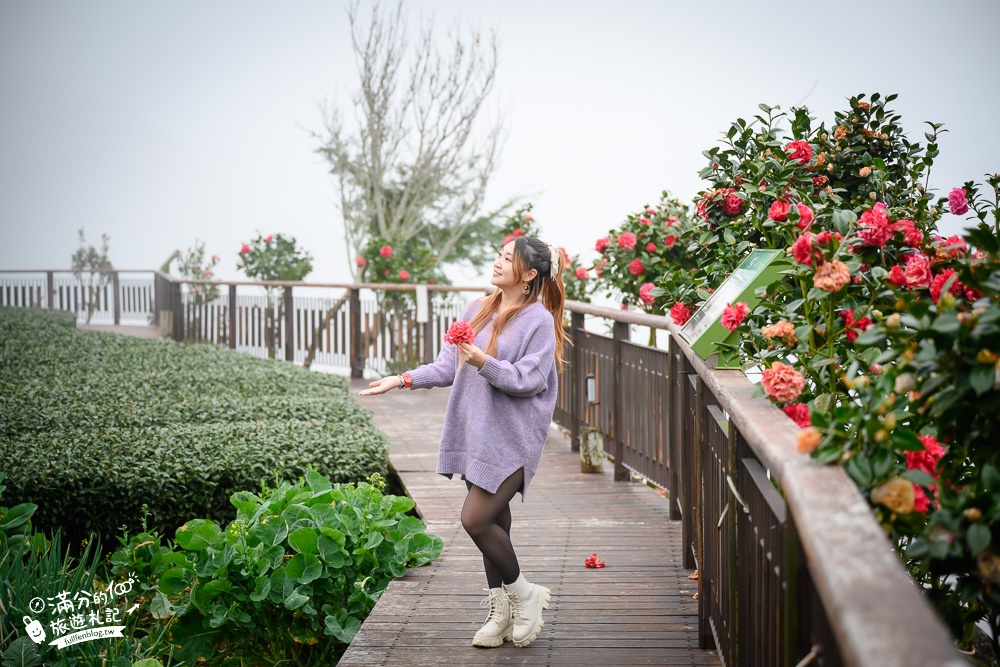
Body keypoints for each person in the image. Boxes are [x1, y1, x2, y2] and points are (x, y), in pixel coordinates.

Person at [359, 236, 567, 649]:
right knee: (495, 520)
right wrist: (400, 380)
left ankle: (526, 594)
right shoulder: (476, 308)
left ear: (528, 275)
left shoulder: (538, 320)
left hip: (512, 437)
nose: (498, 261)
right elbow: (445, 366)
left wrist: (482, 361)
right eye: (499, 254)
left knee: (475, 519)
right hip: (475, 432)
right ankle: (501, 609)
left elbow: (529, 380)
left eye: (508, 259)